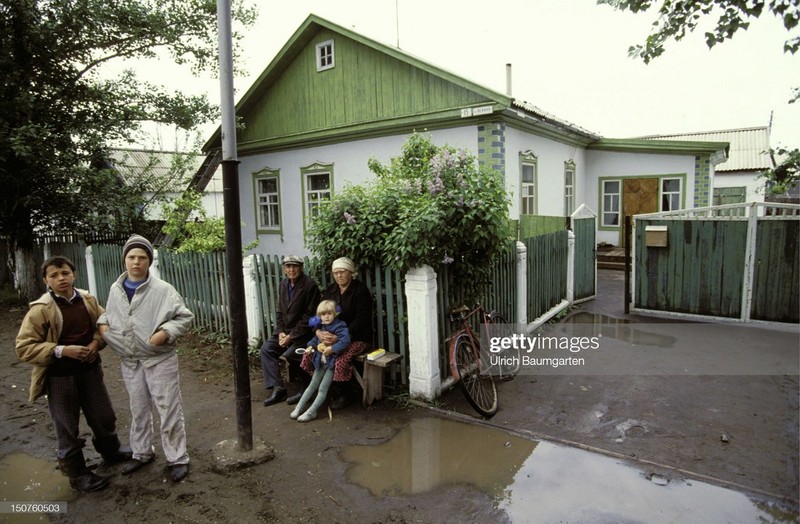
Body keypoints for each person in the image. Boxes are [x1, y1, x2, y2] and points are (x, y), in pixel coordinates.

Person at [15, 256, 131, 493]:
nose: (61, 279)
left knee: (104, 415)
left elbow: (105, 322)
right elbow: (24, 347)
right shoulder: (41, 310)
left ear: (74, 274)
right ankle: (78, 475)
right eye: (54, 275)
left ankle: (111, 452)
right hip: (60, 378)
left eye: (65, 273)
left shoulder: (87, 300)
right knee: (67, 425)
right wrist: (61, 350)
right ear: (46, 280)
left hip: (89, 371)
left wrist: (96, 343)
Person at [98, 234, 194, 483]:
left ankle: (177, 458)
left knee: (168, 407)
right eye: (131, 257)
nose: (136, 262)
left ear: (149, 261)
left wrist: (164, 333)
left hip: (158, 359)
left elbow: (184, 317)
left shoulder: (163, 290)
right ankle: (142, 453)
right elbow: (108, 315)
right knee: (138, 408)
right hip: (130, 360)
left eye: (142, 257)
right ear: (125, 260)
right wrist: (104, 330)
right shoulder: (116, 289)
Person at [301, 257, 374, 409]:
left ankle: (344, 394)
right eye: (336, 273)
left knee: (339, 358)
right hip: (329, 335)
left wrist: (339, 337)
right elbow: (318, 314)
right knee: (310, 353)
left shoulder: (360, 291)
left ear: (351, 272)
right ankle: (317, 387)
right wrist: (319, 331)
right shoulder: (331, 290)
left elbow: (361, 320)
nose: (339, 275)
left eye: (342, 272)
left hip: (357, 337)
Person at [260, 255, 321, 406]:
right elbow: (280, 311)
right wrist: (281, 331)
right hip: (285, 332)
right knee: (266, 349)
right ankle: (278, 388)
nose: (291, 270)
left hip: (304, 333)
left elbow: (310, 316)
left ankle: (306, 389)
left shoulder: (309, 286)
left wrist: (291, 336)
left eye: (295, 266)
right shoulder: (283, 284)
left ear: (301, 268)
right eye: (288, 266)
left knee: (292, 354)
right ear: (284, 269)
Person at [290, 300, 351, 422]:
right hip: (320, 361)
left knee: (323, 388)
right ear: (319, 316)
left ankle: (312, 411)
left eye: (329, 313)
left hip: (331, 363)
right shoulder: (322, 327)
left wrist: (332, 349)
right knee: (312, 385)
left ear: (335, 314)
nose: (327, 316)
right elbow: (314, 340)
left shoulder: (340, 326)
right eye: (323, 314)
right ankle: (299, 408)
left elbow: (345, 341)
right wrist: (310, 346)